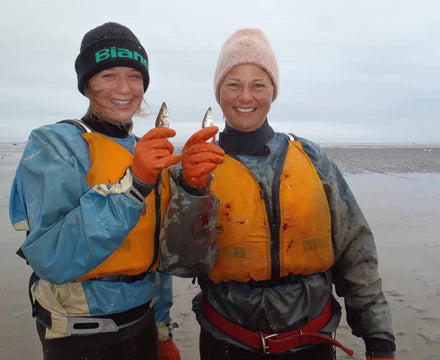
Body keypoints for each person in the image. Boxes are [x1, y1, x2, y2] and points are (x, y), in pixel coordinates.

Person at [160, 28, 396, 359]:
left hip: (312, 342)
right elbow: (181, 263)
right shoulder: (193, 167)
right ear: (218, 93)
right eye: (233, 84)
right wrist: (191, 192)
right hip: (226, 342)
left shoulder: (313, 159)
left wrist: (379, 336)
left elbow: (355, 248)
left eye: (258, 84)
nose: (246, 97)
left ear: (273, 92)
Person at [9, 22, 182, 360]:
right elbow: (54, 258)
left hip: (143, 322)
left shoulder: (145, 150)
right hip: (80, 333)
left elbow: (154, 255)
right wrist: (136, 187)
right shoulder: (54, 144)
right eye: (108, 75)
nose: (124, 88)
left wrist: (162, 328)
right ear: (86, 83)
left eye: (134, 76)